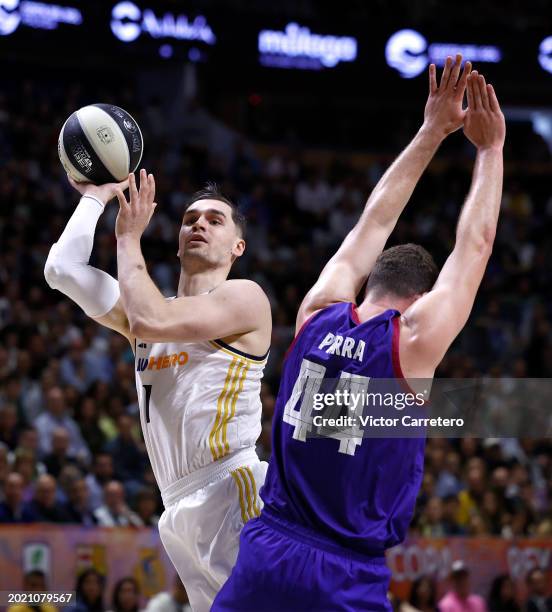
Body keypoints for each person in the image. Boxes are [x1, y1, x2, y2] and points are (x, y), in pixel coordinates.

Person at [213, 55, 505, 611]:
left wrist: (431, 130)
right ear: (419, 299)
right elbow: (477, 244)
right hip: (342, 573)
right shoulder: (413, 340)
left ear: (372, 279)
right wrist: (489, 151)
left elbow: (373, 221)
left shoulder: (315, 312)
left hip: (267, 550)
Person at [44, 167, 271, 610]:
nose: (199, 224)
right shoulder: (151, 314)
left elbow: (150, 320)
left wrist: (127, 240)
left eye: (214, 219)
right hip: (176, 506)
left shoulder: (245, 297)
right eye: (189, 219)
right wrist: (97, 197)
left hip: (231, 486)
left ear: (237, 248)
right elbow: (61, 269)